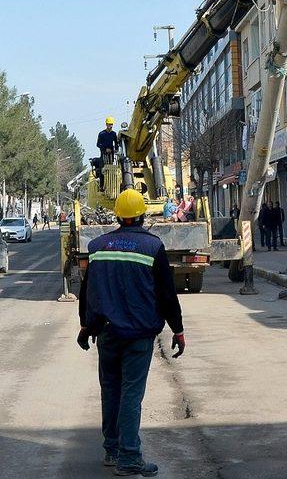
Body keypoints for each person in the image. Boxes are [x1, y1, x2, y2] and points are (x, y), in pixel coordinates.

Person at [78, 188, 185, 476]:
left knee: (110, 389)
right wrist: (178, 329)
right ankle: (129, 458)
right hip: (138, 334)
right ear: (141, 215)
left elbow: (87, 290)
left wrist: (85, 325)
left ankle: (111, 450)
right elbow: (166, 294)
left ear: (118, 215)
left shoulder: (98, 246)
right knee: (130, 393)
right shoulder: (152, 247)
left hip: (107, 332)